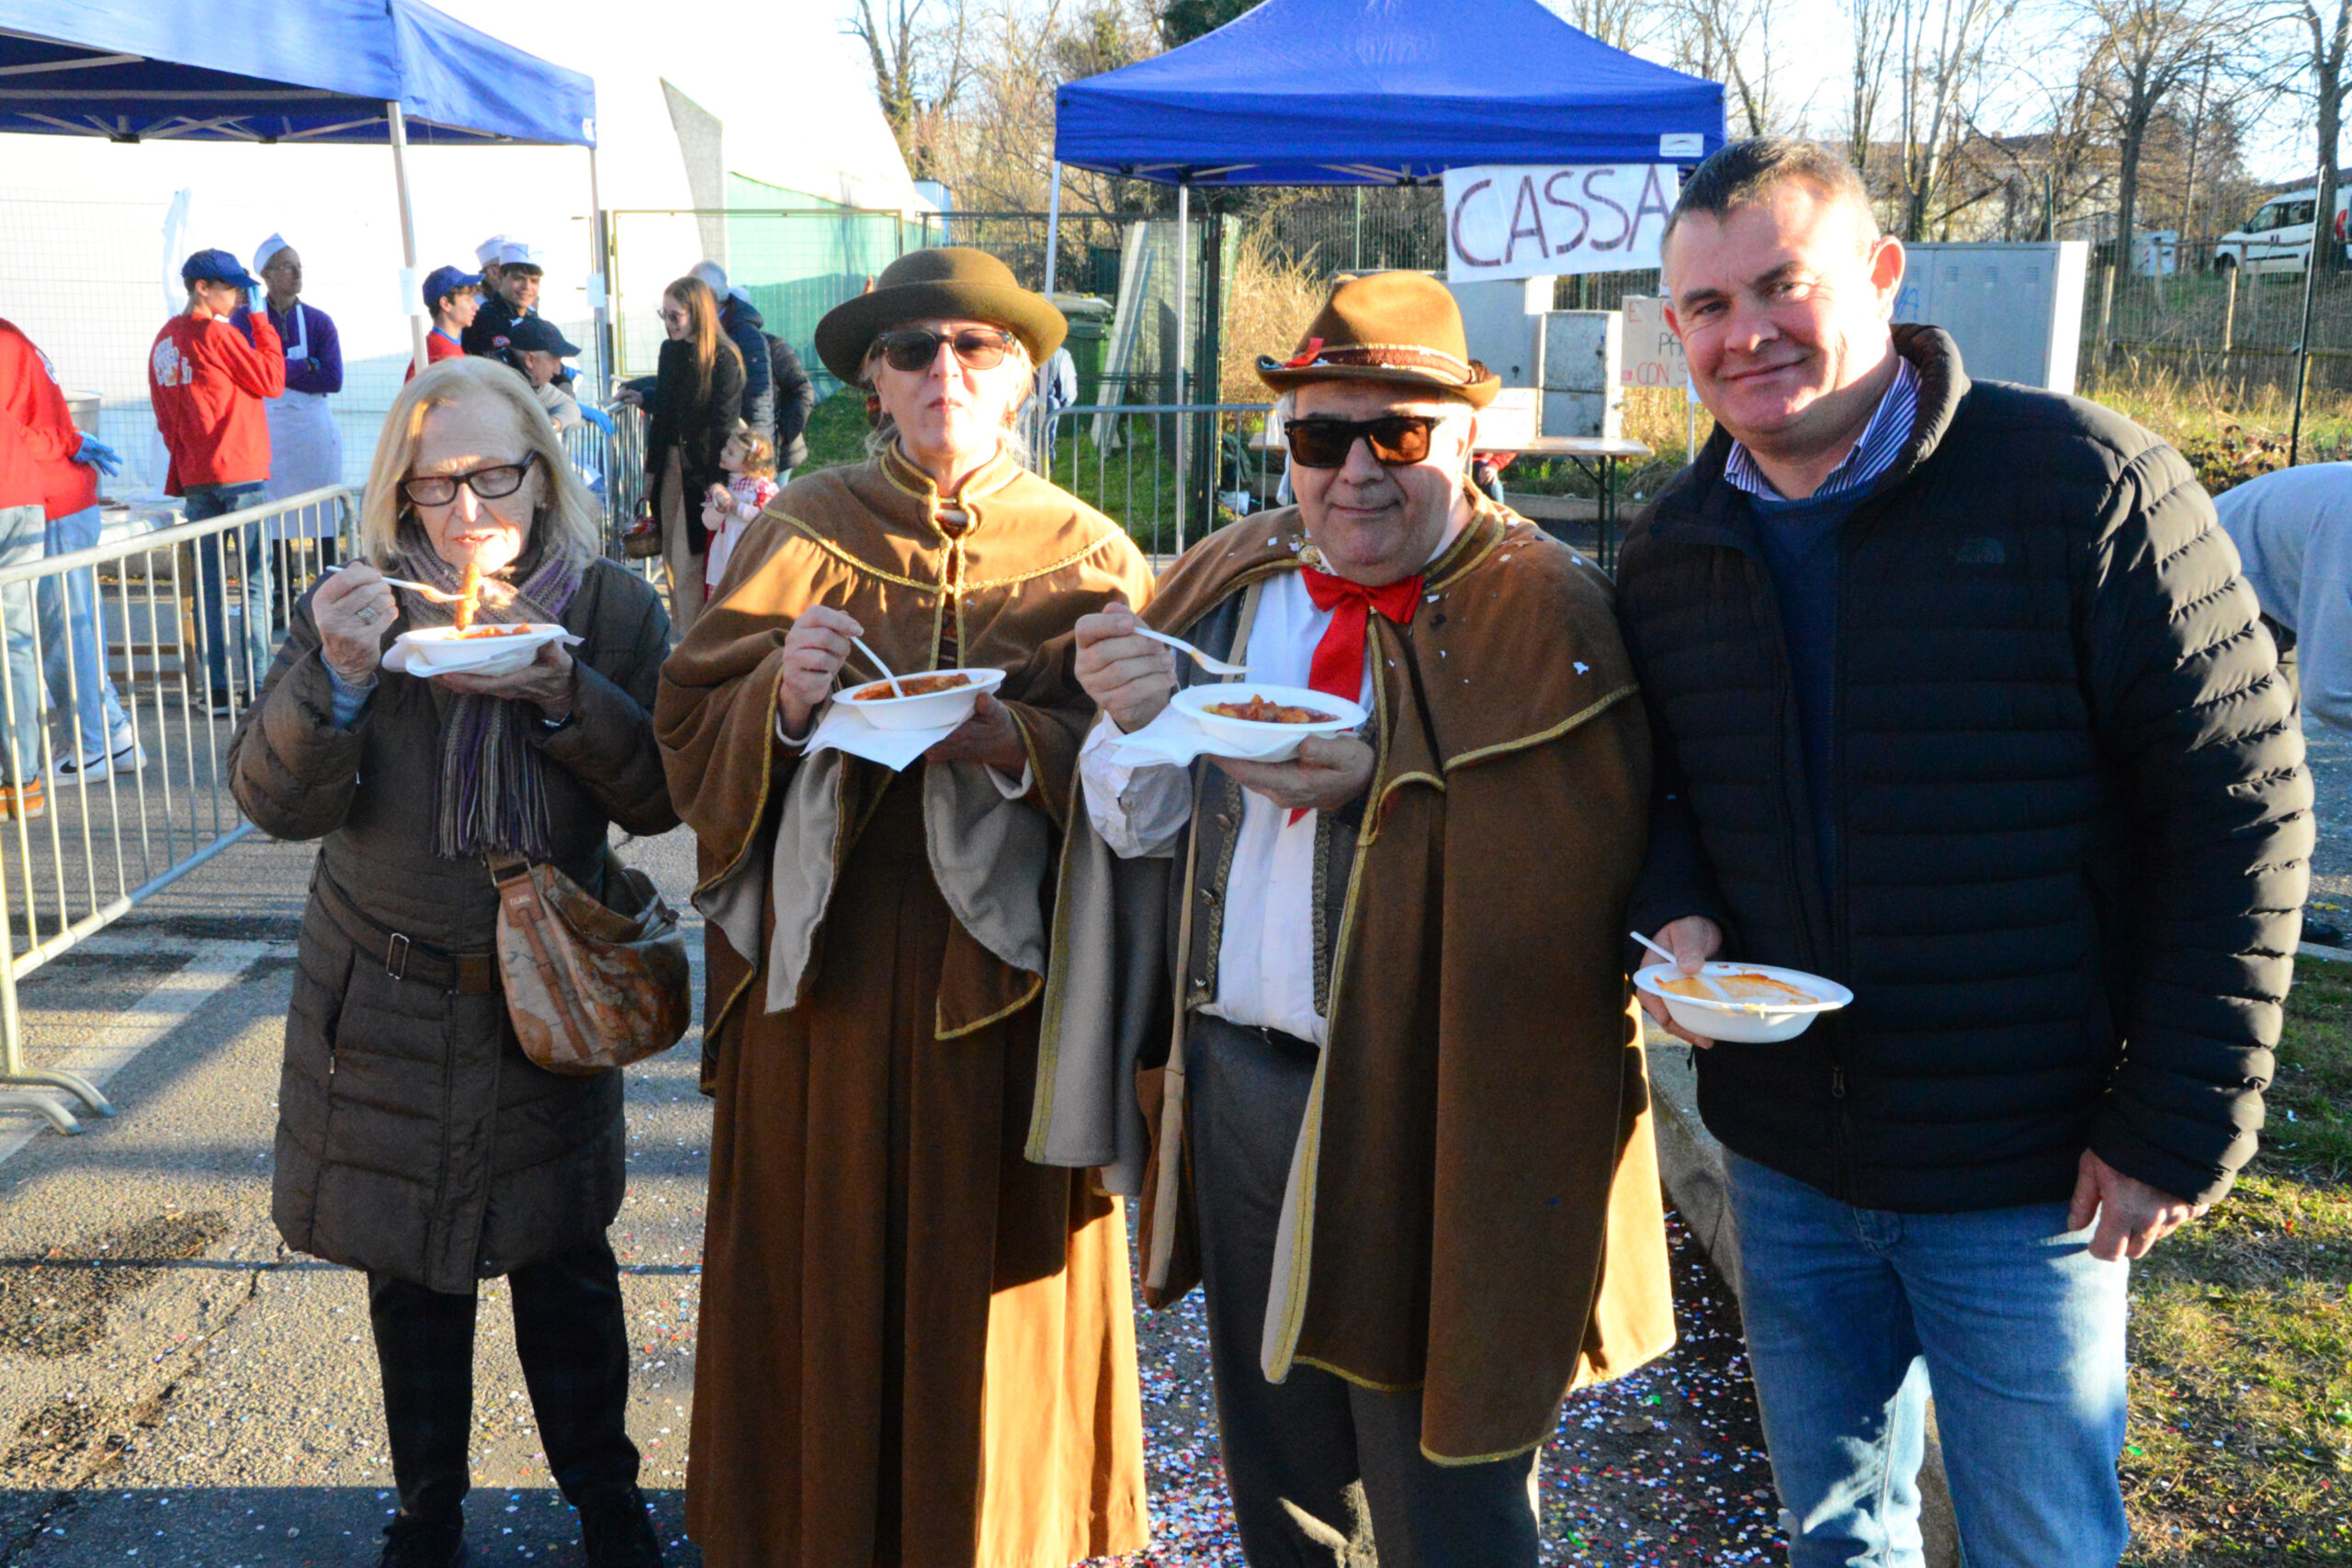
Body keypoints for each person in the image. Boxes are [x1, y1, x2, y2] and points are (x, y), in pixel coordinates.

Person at [1617, 137, 2312, 1568]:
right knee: (1838, 1532)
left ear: (1881, 274)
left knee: (2041, 1537)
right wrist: (1675, 910)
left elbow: (2240, 801)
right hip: (1789, 1151)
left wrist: (2176, 1117)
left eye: (1781, 285)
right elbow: (1670, 791)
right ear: (1672, 327)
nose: (1744, 332)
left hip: (2032, 1166)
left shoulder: (2082, 485)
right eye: (1703, 306)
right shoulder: (1678, 543)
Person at [1036, 271, 1676, 1568]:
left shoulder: (1540, 606)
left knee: (1447, 1469)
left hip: (1440, 1107)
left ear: (1470, 443)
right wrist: (1138, 715)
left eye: (1400, 435)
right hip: (1241, 1084)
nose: (1355, 473)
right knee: (1280, 1466)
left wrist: (1381, 785)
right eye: (1322, 438)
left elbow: (1577, 883)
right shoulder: (1230, 578)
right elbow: (1129, 824)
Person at [654, 246, 1154, 1568]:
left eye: (976, 349)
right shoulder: (801, 526)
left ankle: (1002, 1532)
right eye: (915, 350)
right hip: (827, 990)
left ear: (1022, 376)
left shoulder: (1088, 552)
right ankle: (816, 1526)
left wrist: (1017, 744)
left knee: (993, 1293)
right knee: (825, 1267)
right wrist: (786, 694)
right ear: (872, 379)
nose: (946, 371)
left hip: (1016, 1000)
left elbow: (1155, 772)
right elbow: (686, 729)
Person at [227, 355, 676, 1568]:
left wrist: (565, 689)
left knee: (564, 1261)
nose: (468, 514)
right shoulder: (358, 604)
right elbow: (275, 803)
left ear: (542, 469)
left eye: (492, 477)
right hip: (382, 987)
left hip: (547, 983)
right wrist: (341, 676)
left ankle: (607, 1498)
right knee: (410, 1275)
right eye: (434, 488)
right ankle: (428, 1509)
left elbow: (662, 792)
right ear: (397, 495)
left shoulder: (617, 612)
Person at [6, 322, 141, 782]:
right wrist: (70, 440)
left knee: (62, 632)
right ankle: (114, 736)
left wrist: (69, 441)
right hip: (58, 491)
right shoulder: (14, 338)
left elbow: (15, 435)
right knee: (74, 626)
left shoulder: (5, 343)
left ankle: (89, 749)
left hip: (48, 496)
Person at [151, 246, 282, 716]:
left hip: (195, 475)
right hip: (240, 470)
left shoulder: (164, 340)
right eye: (230, 288)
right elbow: (271, 379)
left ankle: (217, 689)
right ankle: (260, 681)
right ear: (202, 289)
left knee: (207, 584)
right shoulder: (218, 334)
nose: (240, 297)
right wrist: (263, 324)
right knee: (251, 582)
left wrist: (187, 456)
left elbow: (165, 418)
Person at [618, 276, 741, 636]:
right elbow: (666, 414)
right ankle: (685, 635)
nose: (669, 323)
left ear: (698, 314)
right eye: (664, 315)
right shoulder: (670, 351)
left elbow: (723, 425)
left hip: (702, 471)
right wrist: (651, 471)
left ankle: (694, 643)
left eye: (675, 316)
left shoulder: (724, 358)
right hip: (671, 464)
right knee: (671, 561)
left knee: (690, 562)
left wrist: (717, 483)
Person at [2215, 463, 2352, 728]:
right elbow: (2333, 693)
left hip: (2277, 593)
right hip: (2204, 582)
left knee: (2277, 748)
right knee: (2245, 749)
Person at [686, 264, 773, 438]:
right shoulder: (702, 330)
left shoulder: (745, 335)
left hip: (738, 446)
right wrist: (642, 392)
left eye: (692, 292)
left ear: (709, 294)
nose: (687, 300)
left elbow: (759, 399)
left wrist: (756, 450)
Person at [696, 421, 776, 600]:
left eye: (731, 453)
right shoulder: (724, 486)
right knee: (718, 597)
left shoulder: (761, 489)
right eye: (725, 448)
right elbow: (709, 523)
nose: (723, 453)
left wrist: (737, 507)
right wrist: (719, 509)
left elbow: (767, 517)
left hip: (747, 548)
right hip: (723, 552)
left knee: (745, 594)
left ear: (749, 463)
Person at [465, 241, 544, 359]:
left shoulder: (533, 316)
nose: (527, 287)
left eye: (534, 280)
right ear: (500, 277)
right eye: (518, 278)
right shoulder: (483, 320)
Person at [406, 265, 481, 382]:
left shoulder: (440, 346)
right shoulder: (441, 354)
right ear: (445, 304)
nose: (476, 306)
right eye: (468, 299)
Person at [763, 329, 815, 479]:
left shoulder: (773, 345)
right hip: (734, 450)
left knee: (774, 499)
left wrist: (781, 434)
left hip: (779, 448)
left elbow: (802, 390)